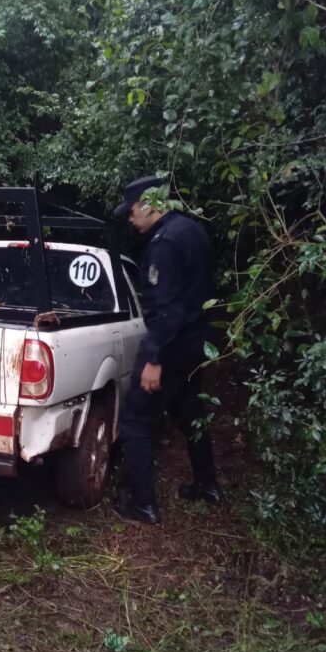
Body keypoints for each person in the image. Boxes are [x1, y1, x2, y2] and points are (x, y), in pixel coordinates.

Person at [112, 176, 223, 524]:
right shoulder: (192, 231)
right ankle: (207, 485)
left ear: (148, 205)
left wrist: (155, 358)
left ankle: (143, 505)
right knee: (190, 411)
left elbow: (169, 310)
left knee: (135, 418)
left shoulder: (164, 244)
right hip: (196, 342)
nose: (131, 220)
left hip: (172, 343)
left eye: (131, 212)